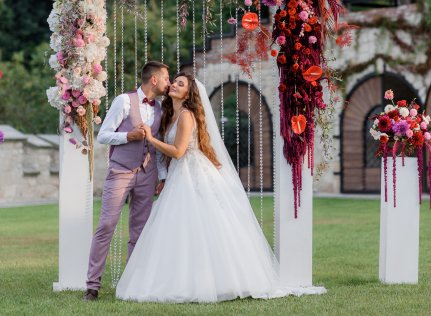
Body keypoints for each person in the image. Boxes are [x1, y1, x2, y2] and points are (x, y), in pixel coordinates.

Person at [115, 72, 326, 303]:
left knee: (204, 223)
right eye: (174, 81)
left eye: (180, 83)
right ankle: (183, 278)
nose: (174, 84)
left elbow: (178, 151)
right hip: (178, 175)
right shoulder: (170, 115)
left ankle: (218, 280)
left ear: (189, 93)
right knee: (180, 226)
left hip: (193, 172)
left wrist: (150, 138)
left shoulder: (186, 115)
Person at [82, 61, 171, 302]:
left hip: (148, 173)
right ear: (154, 79)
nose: (168, 83)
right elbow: (102, 135)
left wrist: (162, 177)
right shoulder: (123, 100)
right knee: (106, 226)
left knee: (139, 231)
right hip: (121, 170)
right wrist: (128, 136)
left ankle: (133, 284)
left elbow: (159, 146)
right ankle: (92, 286)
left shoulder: (162, 108)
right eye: (166, 78)